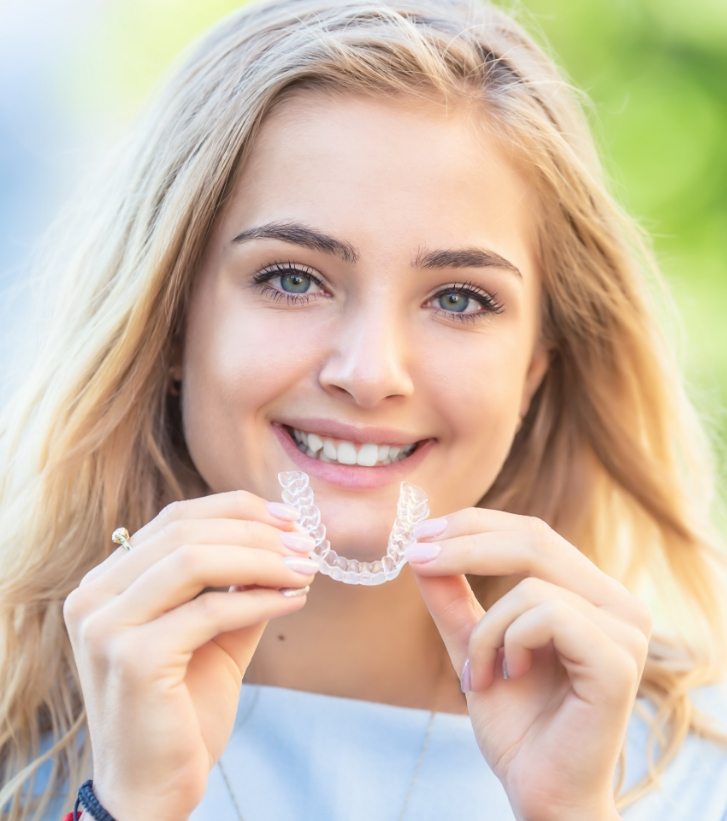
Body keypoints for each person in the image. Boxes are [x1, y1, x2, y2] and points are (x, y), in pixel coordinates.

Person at [1, 0, 726, 818]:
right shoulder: (19, 752)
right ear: (170, 324)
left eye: (457, 297)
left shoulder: (699, 775)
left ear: (533, 369)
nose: (371, 371)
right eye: (291, 278)